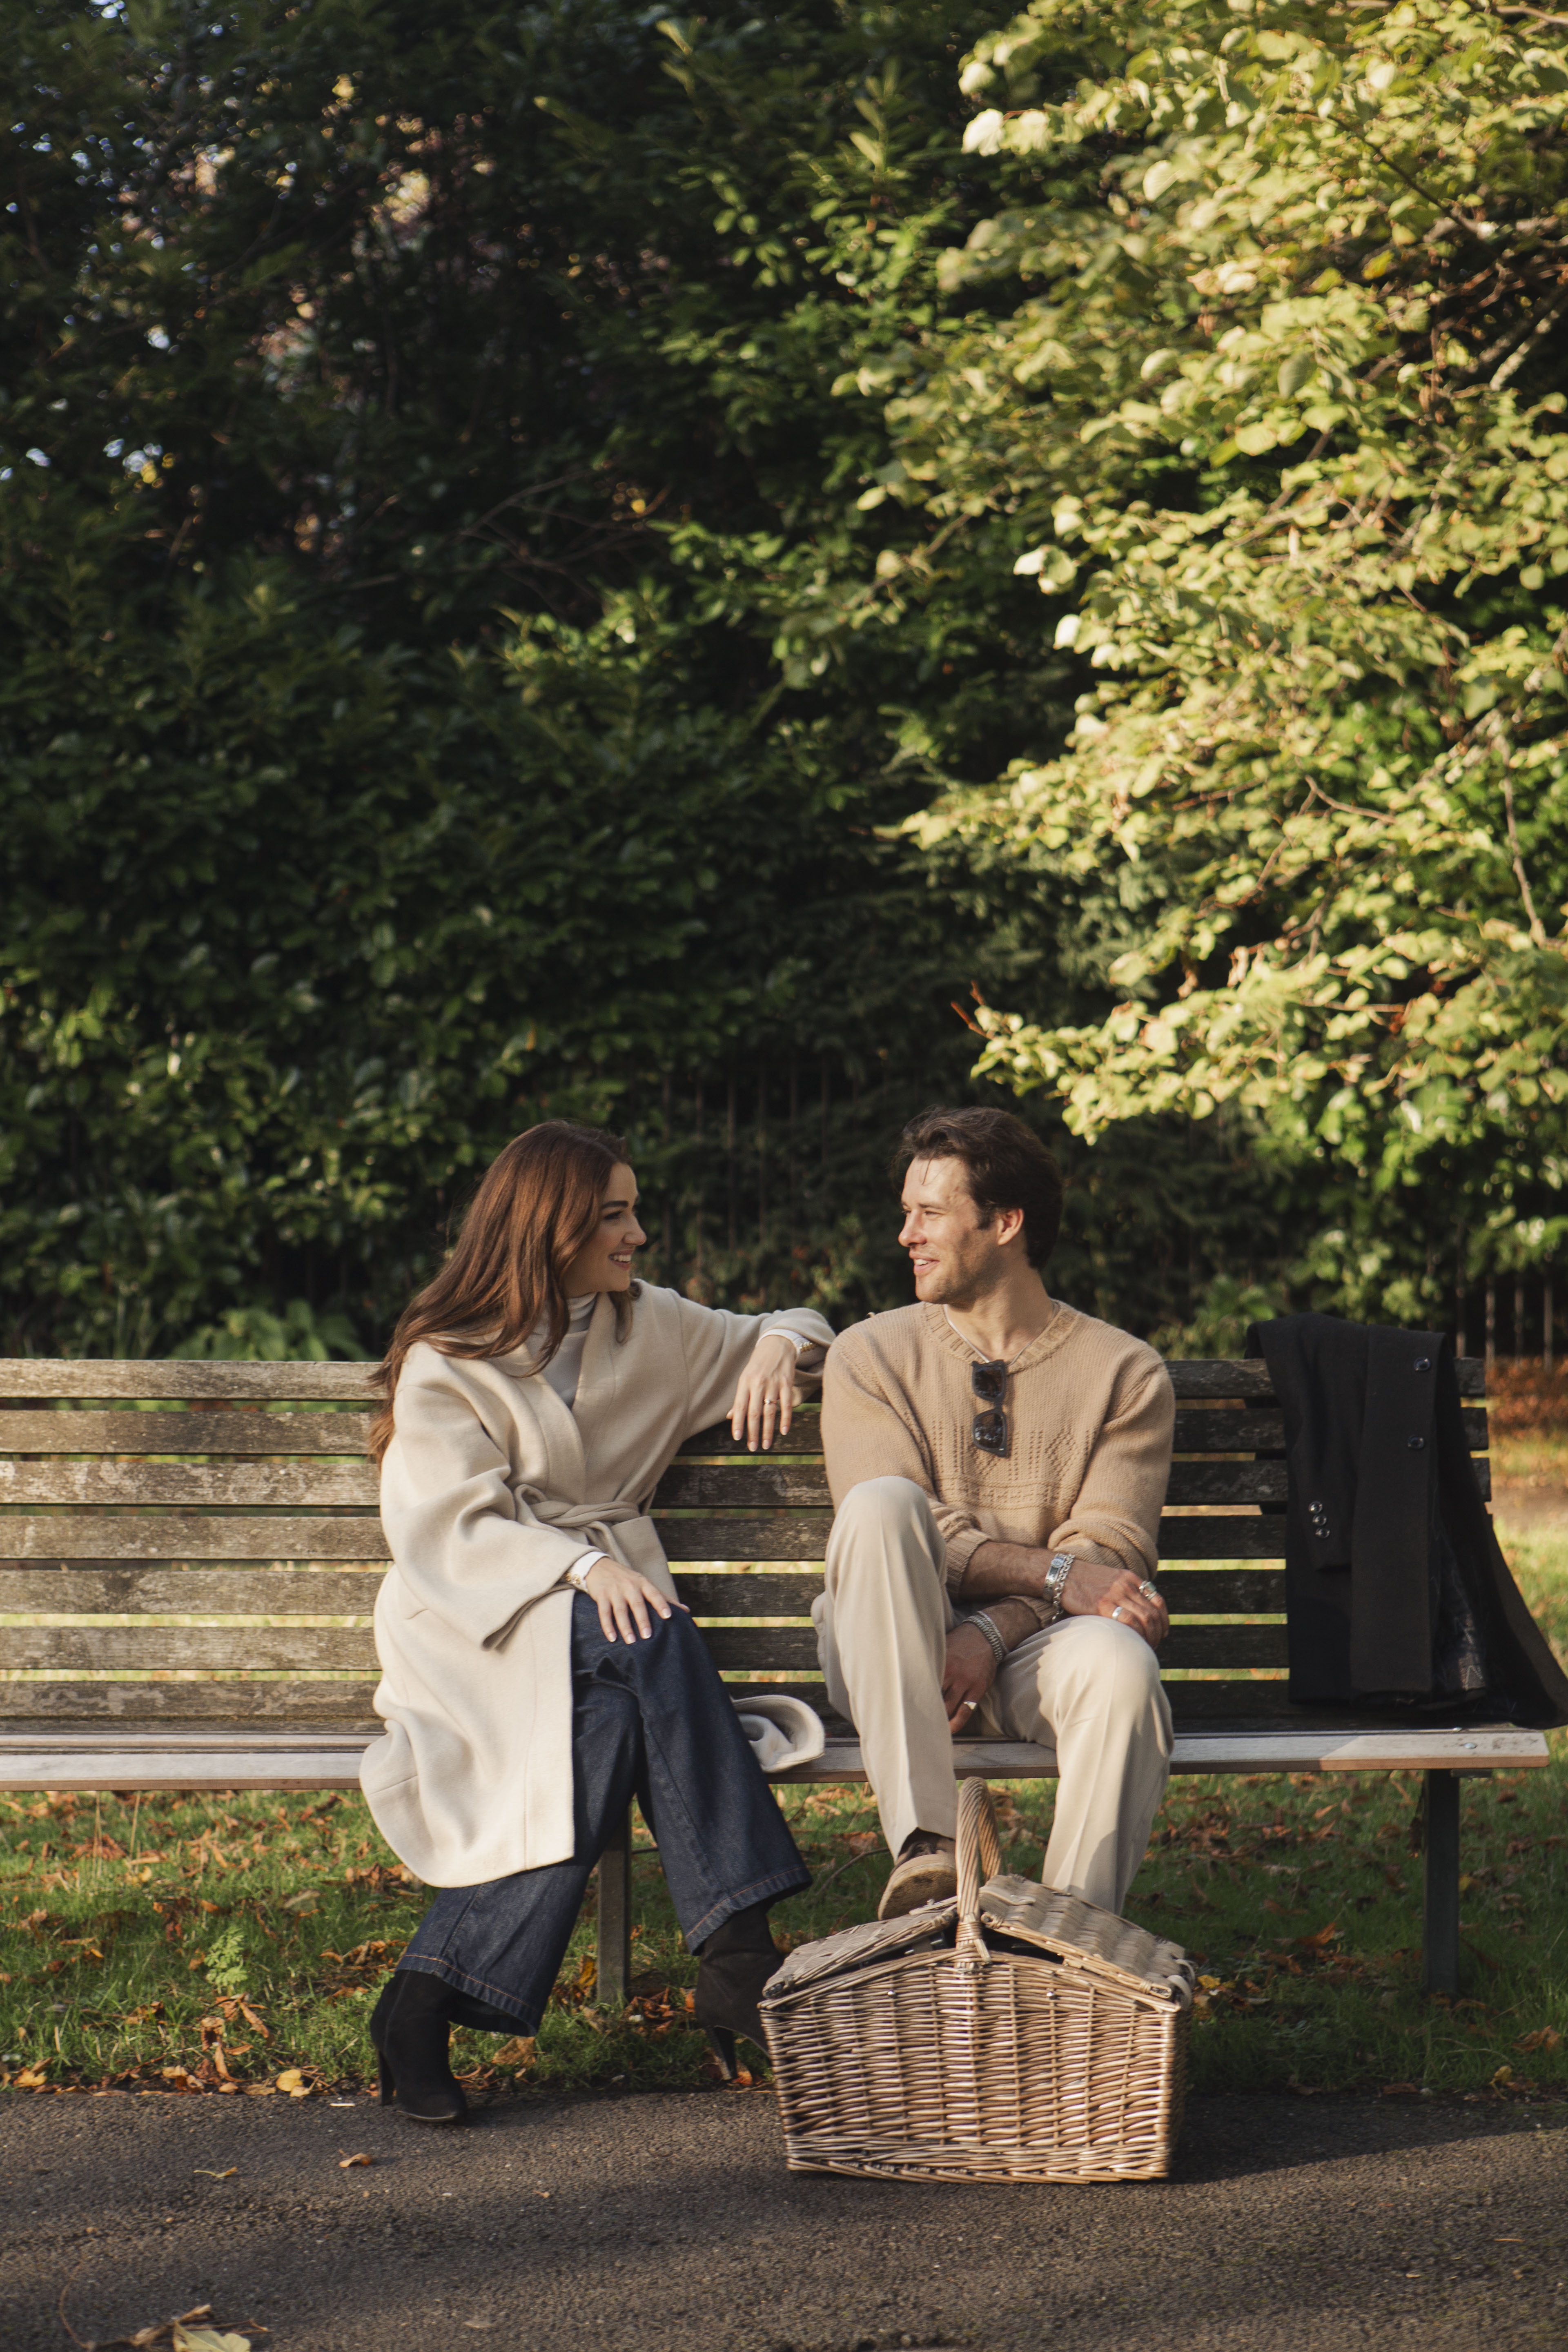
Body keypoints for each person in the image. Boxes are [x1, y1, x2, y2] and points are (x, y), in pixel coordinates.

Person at [360, 1120, 834, 2122]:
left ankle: (424, 1997)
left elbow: (802, 1318)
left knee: (612, 1731)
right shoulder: (447, 1358)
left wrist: (781, 1345)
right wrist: (578, 1566)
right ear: (552, 1226)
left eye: (632, 1209)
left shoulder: (650, 1324)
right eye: (614, 1214)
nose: (639, 1234)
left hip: (608, 1630)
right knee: (653, 1630)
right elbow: (443, 1527)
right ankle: (742, 1954)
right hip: (478, 1615)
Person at [817, 1105, 1174, 1922]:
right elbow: (919, 1538)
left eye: (930, 1213)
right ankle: (928, 1846)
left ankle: (1069, 1945)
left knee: (1124, 1673)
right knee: (883, 1505)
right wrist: (1054, 1575)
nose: (906, 1233)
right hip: (885, 1649)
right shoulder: (868, 1355)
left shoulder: (1125, 1372)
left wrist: (990, 1630)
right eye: (906, 1212)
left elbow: (1108, 1550)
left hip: (1029, 1654)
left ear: (1006, 1223)